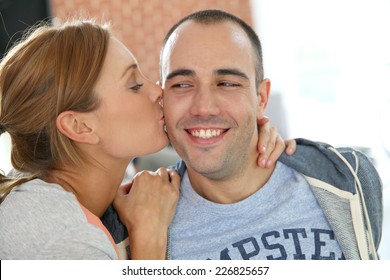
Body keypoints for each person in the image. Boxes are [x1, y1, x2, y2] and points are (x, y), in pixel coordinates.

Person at [0, 19, 291, 260]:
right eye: (135, 85)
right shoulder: (62, 240)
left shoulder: (43, 193)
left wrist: (249, 136)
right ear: (79, 126)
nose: (158, 92)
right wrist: (148, 236)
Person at [157, 9, 382, 260]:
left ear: (261, 97)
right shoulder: (135, 227)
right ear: (162, 99)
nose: (203, 107)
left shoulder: (346, 176)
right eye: (182, 85)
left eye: (227, 83)